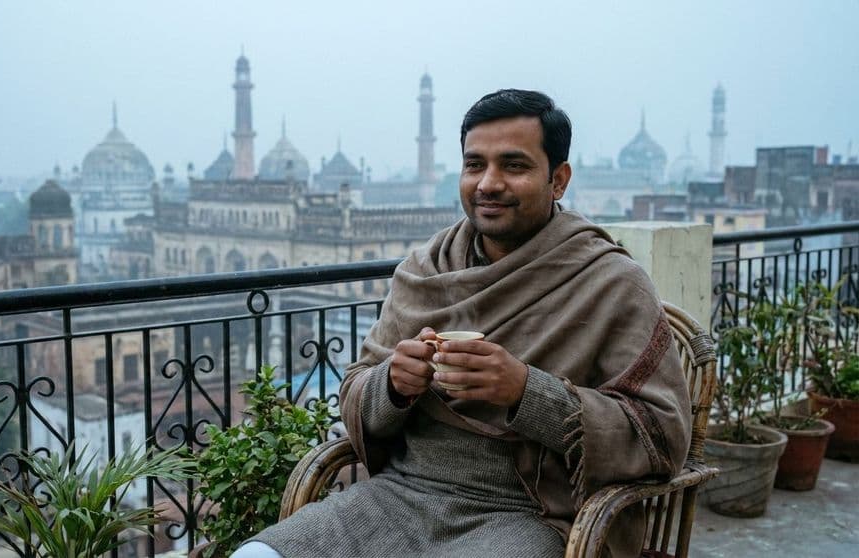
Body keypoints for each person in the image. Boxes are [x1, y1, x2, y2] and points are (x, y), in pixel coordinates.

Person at [234, 89, 692, 558]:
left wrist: (525, 391)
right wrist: (392, 384)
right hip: (399, 495)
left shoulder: (608, 283)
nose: (488, 183)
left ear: (558, 180)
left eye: (513, 166)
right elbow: (356, 388)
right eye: (475, 165)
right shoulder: (427, 270)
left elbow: (661, 434)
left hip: (524, 512)